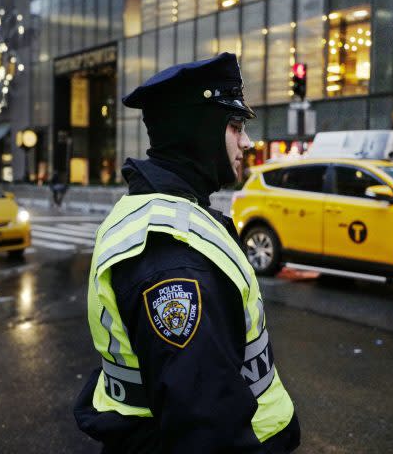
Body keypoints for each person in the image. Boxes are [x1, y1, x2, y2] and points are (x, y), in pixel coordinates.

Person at [74, 52, 300, 453]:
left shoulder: (161, 212)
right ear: (199, 133)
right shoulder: (174, 260)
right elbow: (204, 430)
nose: (247, 142)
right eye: (234, 126)